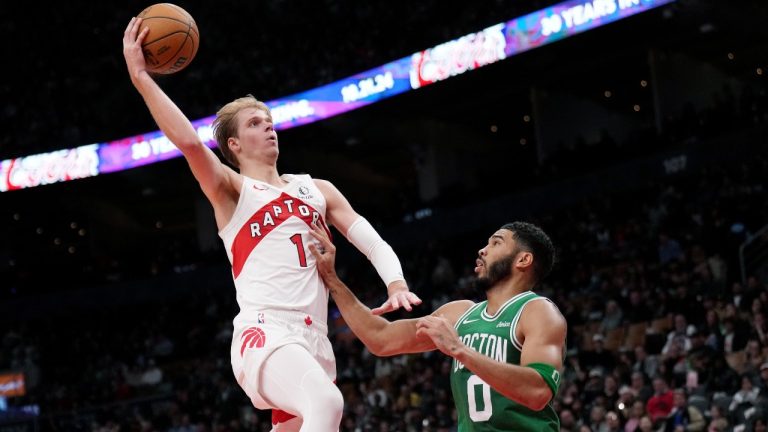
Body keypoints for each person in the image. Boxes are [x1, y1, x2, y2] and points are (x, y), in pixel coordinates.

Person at [122, 17, 421, 431]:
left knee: (311, 416)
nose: (269, 127)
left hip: (314, 339)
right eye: (255, 123)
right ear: (234, 144)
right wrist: (140, 76)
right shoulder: (231, 190)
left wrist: (396, 282)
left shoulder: (317, 189)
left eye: (269, 120)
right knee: (327, 402)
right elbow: (190, 143)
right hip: (265, 332)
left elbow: (369, 239)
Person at [309, 221, 566, 431]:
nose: (483, 250)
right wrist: (332, 279)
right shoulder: (459, 314)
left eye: (496, 243)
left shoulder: (538, 311)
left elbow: (538, 391)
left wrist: (460, 350)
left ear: (523, 260)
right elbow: (381, 338)